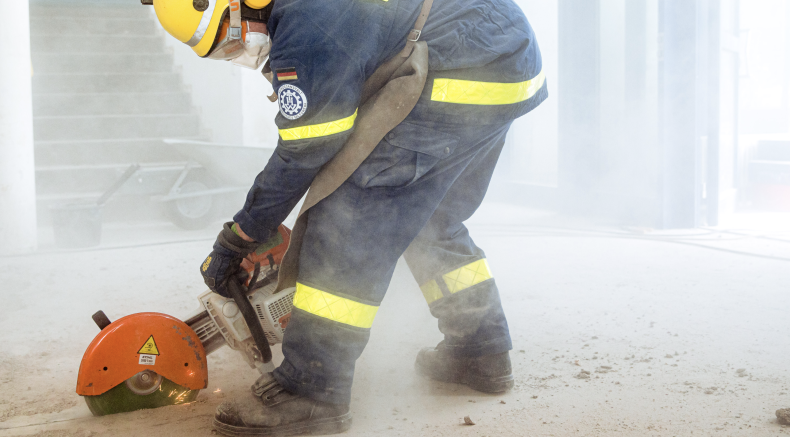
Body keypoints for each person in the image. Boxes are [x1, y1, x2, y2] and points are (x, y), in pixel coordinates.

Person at [146, 0, 545, 434]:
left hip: (463, 65)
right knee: (432, 219)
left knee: (345, 223)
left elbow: (308, 148)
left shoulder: (309, 19)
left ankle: (311, 388)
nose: (242, 51)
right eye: (225, 51)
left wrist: (240, 236)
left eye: (233, 39)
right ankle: (479, 350)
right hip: (506, 57)